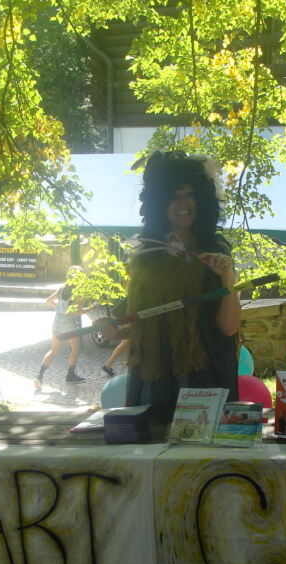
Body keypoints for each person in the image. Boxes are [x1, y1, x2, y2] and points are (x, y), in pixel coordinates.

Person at [99, 151, 240, 421]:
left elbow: (229, 327)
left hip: (202, 376)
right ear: (159, 203)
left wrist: (227, 278)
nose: (183, 204)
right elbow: (138, 322)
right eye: (174, 197)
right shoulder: (147, 257)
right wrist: (112, 328)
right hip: (154, 377)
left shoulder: (215, 254)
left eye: (189, 195)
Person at [35, 266, 87, 390]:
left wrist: (59, 309)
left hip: (57, 322)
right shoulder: (79, 292)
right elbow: (77, 312)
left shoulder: (62, 288)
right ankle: (70, 375)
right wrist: (93, 308)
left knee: (54, 350)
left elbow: (48, 301)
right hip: (68, 324)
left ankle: (39, 376)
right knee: (75, 348)